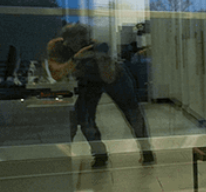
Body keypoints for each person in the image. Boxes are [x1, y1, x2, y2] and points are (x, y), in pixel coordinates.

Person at [46, 22, 155, 167]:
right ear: (66, 40)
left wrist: (94, 56)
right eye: (73, 40)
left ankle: (146, 150)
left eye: (82, 40)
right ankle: (99, 154)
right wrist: (76, 59)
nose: (78, 44)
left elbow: (108, 77)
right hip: (89, 80)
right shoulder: (58, 47)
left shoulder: (96, 47)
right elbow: (56, 74)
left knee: (132, 112)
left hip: (114, 77)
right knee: (83, 117)